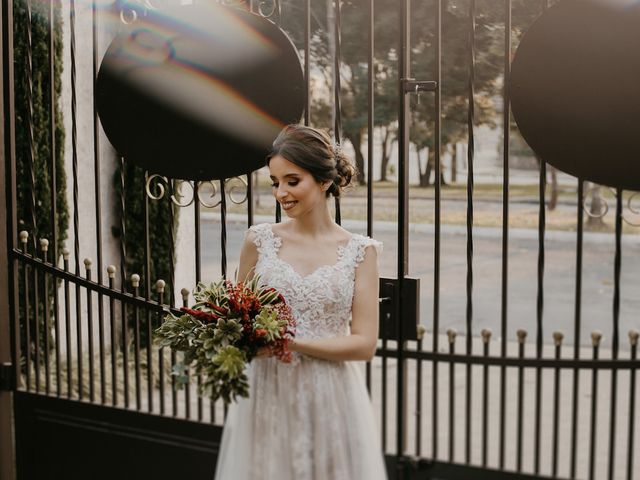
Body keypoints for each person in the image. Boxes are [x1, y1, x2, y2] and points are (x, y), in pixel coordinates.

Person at [213, 124, 387, 480]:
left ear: (324, 181)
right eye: (275, 182)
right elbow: (236, 318)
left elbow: (364, 343)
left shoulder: (360, 252)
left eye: (293, 181)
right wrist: (236, 339)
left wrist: (290, 343)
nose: (281, 193)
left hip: (330, 394)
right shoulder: (258, 241)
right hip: (268, 391)